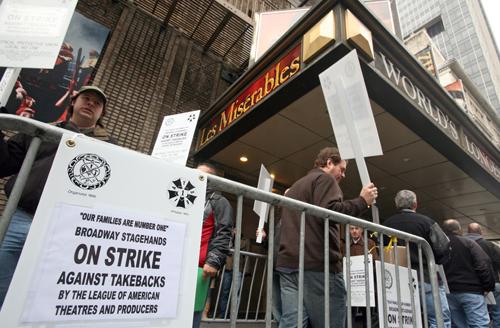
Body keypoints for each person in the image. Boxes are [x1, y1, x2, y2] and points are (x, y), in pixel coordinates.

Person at [0, 86, 114, 309]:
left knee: (46, 291)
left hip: (68, 228)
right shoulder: (39, 131)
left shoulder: (111, 150)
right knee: (3, 282)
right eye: (86, 98)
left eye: (97, 103)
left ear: (102, 114)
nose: (90, 103)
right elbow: (4, 164)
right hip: (21, 218)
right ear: (73, 102)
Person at [276, 147, 378, 328]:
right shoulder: (325, 179)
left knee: (292, 322)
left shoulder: (295, 187)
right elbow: (331, 211)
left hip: (289, 264)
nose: (343, 175)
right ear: (329, 162)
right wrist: (362, 201)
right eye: (342, 169)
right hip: (318, 265)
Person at [383, 190, 451, 328]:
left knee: (403, 320)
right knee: (438, 319)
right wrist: (435, 261)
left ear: (396, 205)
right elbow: (443, 246)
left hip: (397, 280)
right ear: (415, 204)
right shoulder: (427, 222)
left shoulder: (386, 224)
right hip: (425, 277)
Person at [193, 163, 233, 328]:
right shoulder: (185, 195)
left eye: (201, 175)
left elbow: (224, 233)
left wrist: (214, 260)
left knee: (192, 314)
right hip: (176, 263)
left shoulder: (220, 202)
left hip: (200, 267)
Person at [442, 219, 495, 328]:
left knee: (458, 325)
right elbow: (483, 264)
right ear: (459, 229)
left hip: (449, 292)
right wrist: (487, 286)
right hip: (471, 291)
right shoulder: (468, 243)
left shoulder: (440, 245)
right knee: (479, 324)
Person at [341, 225, 379, 328]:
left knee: (367, 314)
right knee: (349, 312)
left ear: (361, 230)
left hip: (366, 283)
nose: (354, 231)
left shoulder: (369, 243)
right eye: (351, 229)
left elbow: (376, 262)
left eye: (356, 228)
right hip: (351, 284)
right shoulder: (345, 245)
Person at [466, 222, 500, 327]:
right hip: (492, 284)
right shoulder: (490, 245)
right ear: (481, 231)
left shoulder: (462, 244)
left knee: (473, 315)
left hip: (468, 286)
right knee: (497, 312)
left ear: (468, 232)